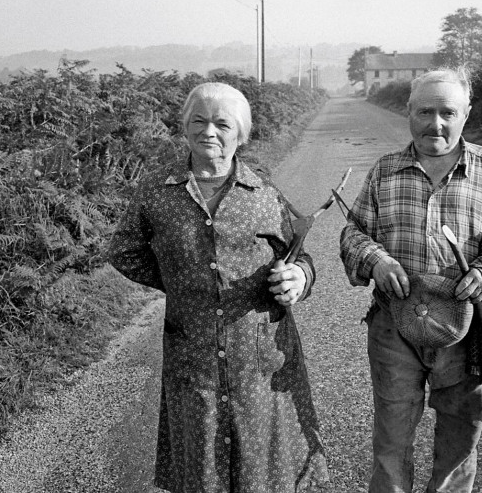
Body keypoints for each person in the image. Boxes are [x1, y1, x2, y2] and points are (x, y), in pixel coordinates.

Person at [339, 67, 482, 492]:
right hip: (394, 324)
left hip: (467, 331)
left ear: (467, 114)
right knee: (392, 437)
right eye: (425, 111)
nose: (435, 123)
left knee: (460, 439)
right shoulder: (385, 171)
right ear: (408, 111)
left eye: (448, 112)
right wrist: (375, 259)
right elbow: (354, 232)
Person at [108, 82, 328, 492]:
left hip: (260, 357)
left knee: (264, 471)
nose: (209, 132)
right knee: (202, 468)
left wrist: (300, 278)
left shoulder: (264, 194)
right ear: (185, 127)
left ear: (240, 134)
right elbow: (124, 250)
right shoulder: (157, 193)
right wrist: (182, 282)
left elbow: (301, 257)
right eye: (199, 121)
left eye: (222, 124)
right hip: (193, 356)